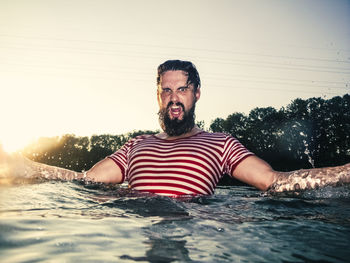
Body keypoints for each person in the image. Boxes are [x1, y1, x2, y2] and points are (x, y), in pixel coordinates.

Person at [1, 60, 349, 197]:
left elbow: (274, 181)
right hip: (133, 227)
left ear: (196, 93)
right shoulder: (134, 145)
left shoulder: (221, 143)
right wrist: (27, 166)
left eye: (181, 89)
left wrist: (344, 172)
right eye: (166, 91)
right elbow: (85, 181)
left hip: (192, 224)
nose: (173, 98)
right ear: (158, 96)